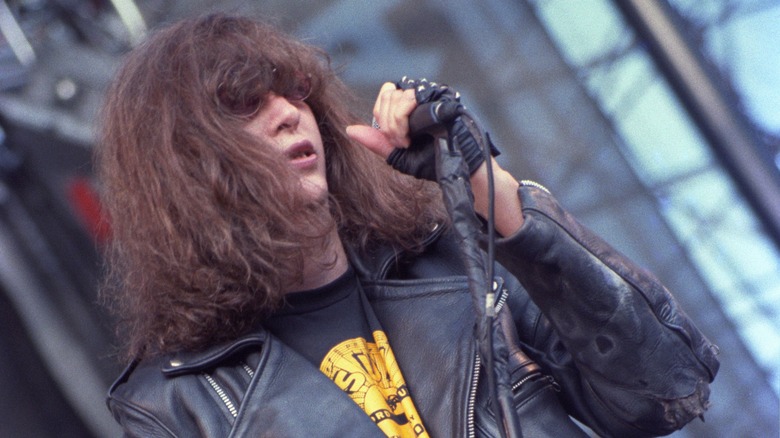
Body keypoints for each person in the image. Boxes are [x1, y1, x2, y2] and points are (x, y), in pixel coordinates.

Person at [98, 13, 719, 438]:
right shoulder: (175, 404)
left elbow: (666, 390)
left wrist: (488, 191)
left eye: (292, 90)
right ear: (182, 162)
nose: (289, 113)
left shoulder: (460, 264)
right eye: (243, 102)